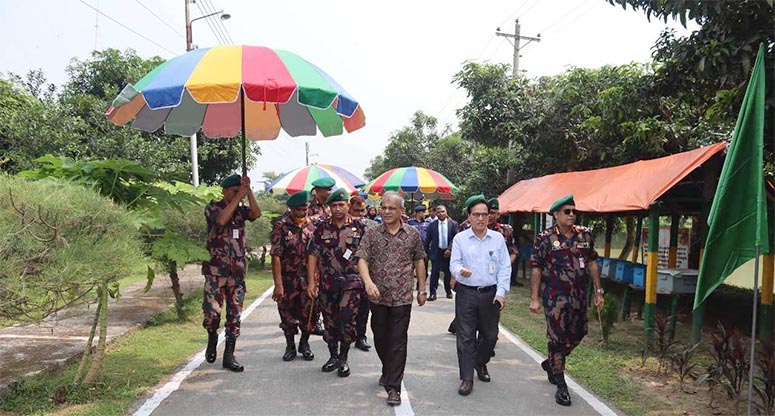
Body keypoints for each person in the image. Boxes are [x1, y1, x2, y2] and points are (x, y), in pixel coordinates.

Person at [529, 194, 604, 407]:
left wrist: (599, 290)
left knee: (580, 333)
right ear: (556, 214)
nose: (572, 215)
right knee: (557, 339)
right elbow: (536, 268)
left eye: (574, 211)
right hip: (555, 298)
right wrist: (534, 298)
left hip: (579, 296)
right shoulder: (545, 238)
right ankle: (561, 385)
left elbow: (592, 263)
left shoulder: (585, 235)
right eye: (567, 211)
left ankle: (551, 362)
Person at [357, 191, 428, 406]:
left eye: (391, 208)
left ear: (401, 211)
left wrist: (422, 289)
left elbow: (419, 261)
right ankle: (387, 369)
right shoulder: (372, 233)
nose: (386, 212)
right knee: (380, 338)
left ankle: (393, 386)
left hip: (402, 297)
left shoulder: (413, 234)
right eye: (384, 207)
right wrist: (368, 282)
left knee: (398, 341)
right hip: (378, 298)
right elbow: (362, 259)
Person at [449, 194, 511, 396]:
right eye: (476, 215)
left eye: (484, 215)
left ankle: (480, 362)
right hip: (466, 293)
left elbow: (504, 268)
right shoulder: (460, 239)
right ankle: (467, 378)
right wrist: (460, 272)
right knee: (465, 337)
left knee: (490, 336)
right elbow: (454, 264)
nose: (481, 219)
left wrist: (501, 293)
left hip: (490, 294)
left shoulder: (498, 239)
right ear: (469, 216)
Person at [202, 174, 261, 372]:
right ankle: (212, 337)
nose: (239, 195)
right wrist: (237, 197)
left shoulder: (241, 211)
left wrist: (249, 190)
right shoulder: (213, 207)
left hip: (236, 273)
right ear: (224, 191)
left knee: (234, 315)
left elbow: (256, 214)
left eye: (239, 191)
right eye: (234, 191)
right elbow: (220, 221)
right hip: (215, 272)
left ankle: (229, 354)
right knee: (212, 314)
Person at [307, 188, 366, 377]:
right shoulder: (321, 228)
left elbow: (368, 256)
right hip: (327, 283)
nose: (338, 208)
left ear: (348, 205)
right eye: (334, 205)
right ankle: (333, 355)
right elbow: (313, 255)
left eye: (341, 205)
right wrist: (311, 282)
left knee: (347, 319)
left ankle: (344, 358)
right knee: (330, 322)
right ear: (329, 207)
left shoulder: (360, 227)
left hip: (351, 283)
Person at [270, 191, 317, 362]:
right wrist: (278, 284)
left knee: (309, 314)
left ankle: (304, 344)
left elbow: (317, 254)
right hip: (288, 280)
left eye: (305, 208)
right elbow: (276, 256)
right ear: (290, 209)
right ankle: (290, 345)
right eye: (299, 209)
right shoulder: (281, 227)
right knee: (287, 314)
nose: (303, 212)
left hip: (308, 279)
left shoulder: (314, 226)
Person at [307, 177, 335, 336]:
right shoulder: (308, 206)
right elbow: (299, 222)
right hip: (310, 252)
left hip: (329, 254)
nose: (330, 192)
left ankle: (324, 319)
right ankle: (311, 320)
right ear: (317, 191)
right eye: (327, 190)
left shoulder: (333, 206)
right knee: (311, 285)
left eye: (331, 189)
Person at [349, 195, 374, 352]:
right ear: (349, 209)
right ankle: (344, 334)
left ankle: (361, 336)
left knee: (364, 307)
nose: (359, 214)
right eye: (356, 211)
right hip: (346, 275)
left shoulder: (371, 227)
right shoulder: (341, 225)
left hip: (365, 275)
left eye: (362, 210)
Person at [424, 205, 458, 300]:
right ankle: (432, 294)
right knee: (434, 273)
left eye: (442, 211)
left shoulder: (453, 224)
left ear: (446, 212)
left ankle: (448, 291)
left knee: (447, 273)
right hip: (436, 252)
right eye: (438, 212)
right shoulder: (432, 225)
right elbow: (427, 240)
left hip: (448, 253)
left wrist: (450, 249)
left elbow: (455, 239)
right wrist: (427, 253)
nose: (440, 213)